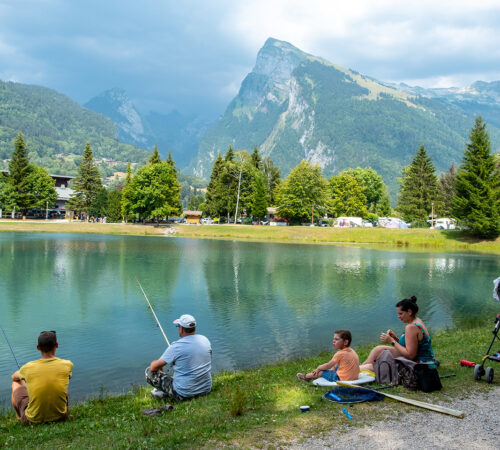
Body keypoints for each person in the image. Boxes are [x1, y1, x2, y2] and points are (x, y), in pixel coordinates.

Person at [11, 331, 73, 425]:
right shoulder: (67, 365)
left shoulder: (28, 367)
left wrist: (23, 375)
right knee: (61, 383)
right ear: (56, 345)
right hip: (61, 416)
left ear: (38, 348)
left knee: (16, 383)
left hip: (33, 420)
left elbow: (14, 377)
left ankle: (20, 416)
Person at [145, 314, 212, 401]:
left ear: (181, 328)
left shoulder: (176, 346)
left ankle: (163, 392)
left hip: (184, 394)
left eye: (178, 326)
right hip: (205, 390)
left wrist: (159, 365)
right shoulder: (205, 340)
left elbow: (153, 367)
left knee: (149, 371)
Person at [360, 296, 435, 371]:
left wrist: (391, 341)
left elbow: (411, 355)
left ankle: (355, 370)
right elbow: (412, 345)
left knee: (371, 366)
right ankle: (358, 368)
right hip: (423, 360)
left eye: (401, 314)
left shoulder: (411, 327)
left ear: (409, 312)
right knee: (378, 349)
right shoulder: (417, 320)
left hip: (419, 365)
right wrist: (395, 338)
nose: (398, 316)